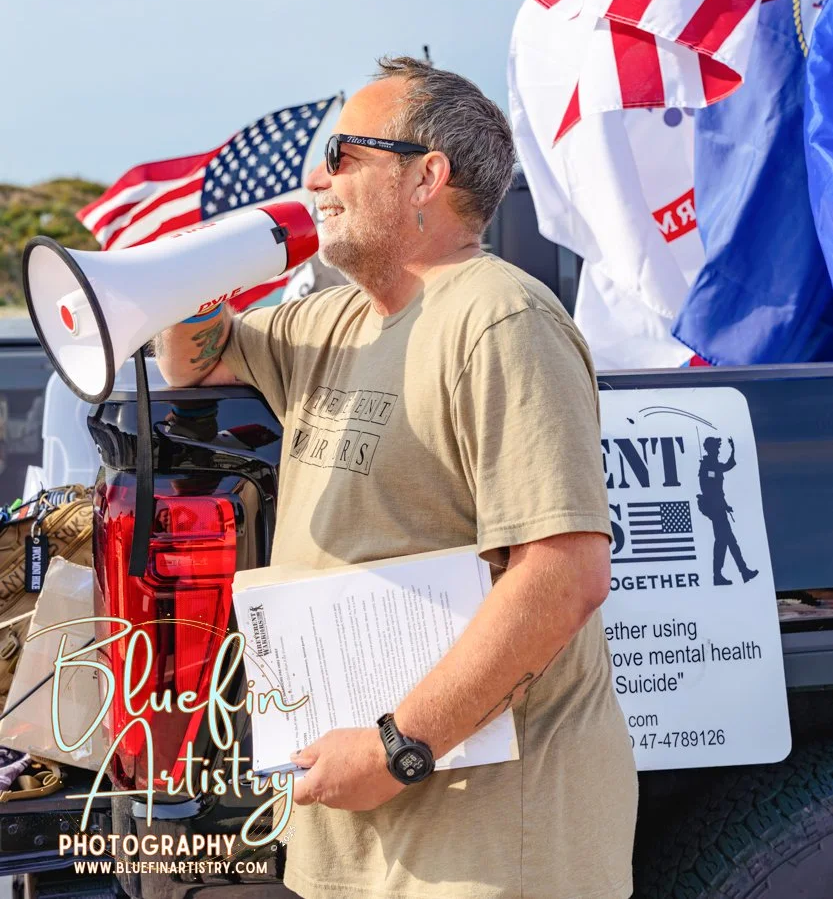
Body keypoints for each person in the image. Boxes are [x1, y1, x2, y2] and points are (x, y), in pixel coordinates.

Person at [155, 57, 637, 899]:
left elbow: (563, 575)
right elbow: (191, 360)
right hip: (355, 845)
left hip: (483, 848)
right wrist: (207, 263)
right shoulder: (330, 319)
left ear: (427, 177)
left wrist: (396, 749)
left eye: (343, 155)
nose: (318, 177)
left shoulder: (501, 320)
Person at [697, 436, 758, 586]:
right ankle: (725, 575)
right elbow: (709, 490)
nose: (718, 450)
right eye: (716, 447)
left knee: (727, 542)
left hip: (719, 508)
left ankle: (740, 572)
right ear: (710, 449)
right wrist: (720, 505)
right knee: (724, 542)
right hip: (715, 510)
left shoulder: (715, 465)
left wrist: (733, 449)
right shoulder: (707, 466)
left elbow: (729, 465)